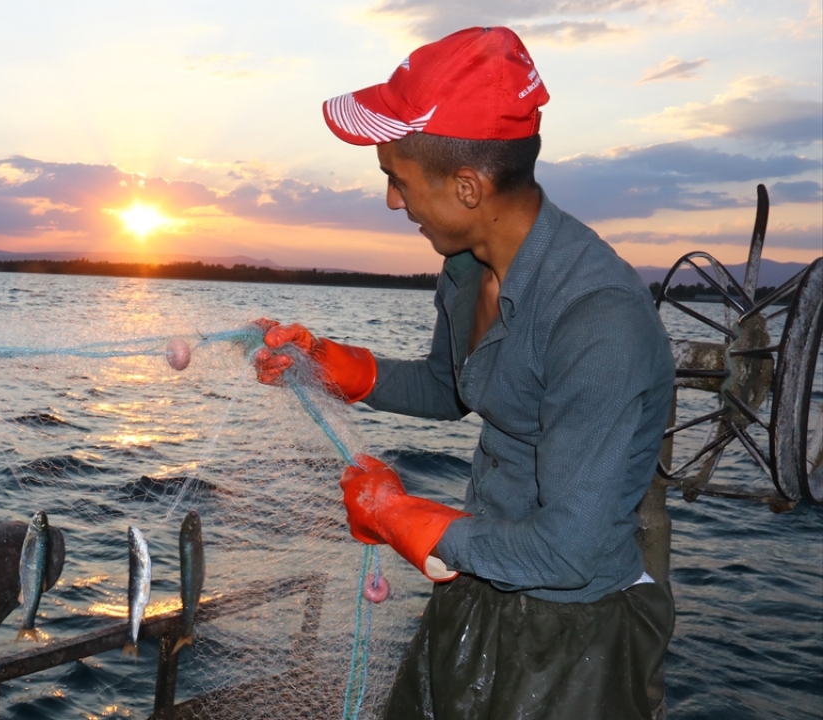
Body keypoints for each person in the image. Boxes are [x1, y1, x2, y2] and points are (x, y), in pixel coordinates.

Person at [254, 27, 676, 719]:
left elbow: (569, 552)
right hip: (480, 574)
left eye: (397, 179)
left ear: (468, 187)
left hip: (575, 634)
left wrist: (403, 516)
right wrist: (333, 364)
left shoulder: (601, 321)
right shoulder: (466, 267)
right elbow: (455, 389)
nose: (393, 201)